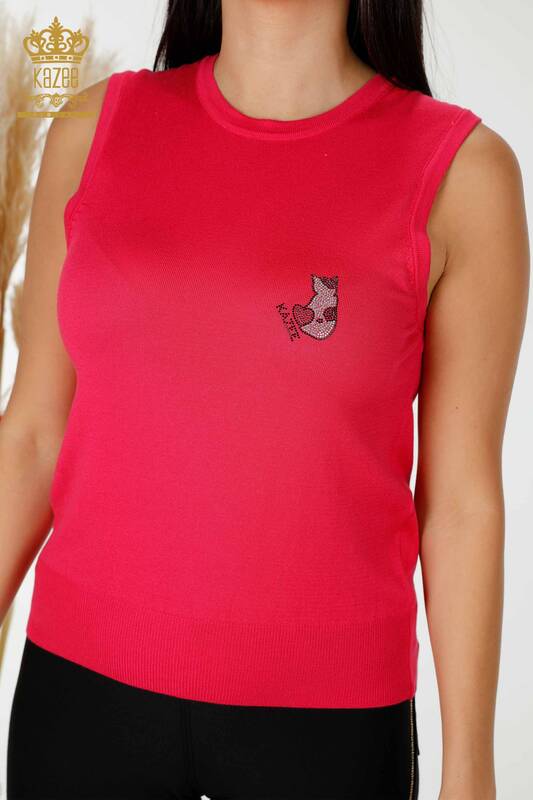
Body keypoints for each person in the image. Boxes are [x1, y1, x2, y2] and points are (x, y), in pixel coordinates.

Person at [2, 1, 529, 798]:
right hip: (78, 697)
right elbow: (33, 436)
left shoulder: (462, 172)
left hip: (330, 726)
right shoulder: (91, 130)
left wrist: (470, 771)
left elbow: (459, 501)